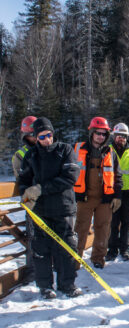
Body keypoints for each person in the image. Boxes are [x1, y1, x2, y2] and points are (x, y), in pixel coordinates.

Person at [18, 117, 82, 299]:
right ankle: (45, 285)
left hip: (64, 207)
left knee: (67, 246)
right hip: (41, 211)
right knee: (41, 248)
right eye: (42, 136)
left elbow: (70, 177)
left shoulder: (65, 150)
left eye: (49, 135)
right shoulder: (31, 156)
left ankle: (67, 284)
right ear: (35, 137)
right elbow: (23, 180)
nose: (47, 139)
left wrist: (41, 188)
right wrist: (27, 195)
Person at [74, 117, 122, 269]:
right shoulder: (77, 149)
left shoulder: (111, 153)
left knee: (103, 229)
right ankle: (75, 259)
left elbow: (118, 176)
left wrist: (117, 196)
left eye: (103, 134)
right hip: (84, 199)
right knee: (80, 229)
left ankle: (98, 258)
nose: (100, 136)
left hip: (104, 200)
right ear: (92, 133)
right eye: (98, 133)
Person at [106, 123, 129, 261]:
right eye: (119, 136)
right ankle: (112, 249)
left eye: (124, 136)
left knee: (128, 222)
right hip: (112, 191)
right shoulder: (107, 150)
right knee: (112, 222)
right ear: (114, 136)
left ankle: (125, 248)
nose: (121, 138)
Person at [12, 116, 37, 283]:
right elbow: (21, 179)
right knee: (33, 236)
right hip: (31, 199)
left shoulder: (48, 149)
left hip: (49, 199)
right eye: (31, 134)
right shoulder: (20, 155)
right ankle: (33, 270)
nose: (34, 137)